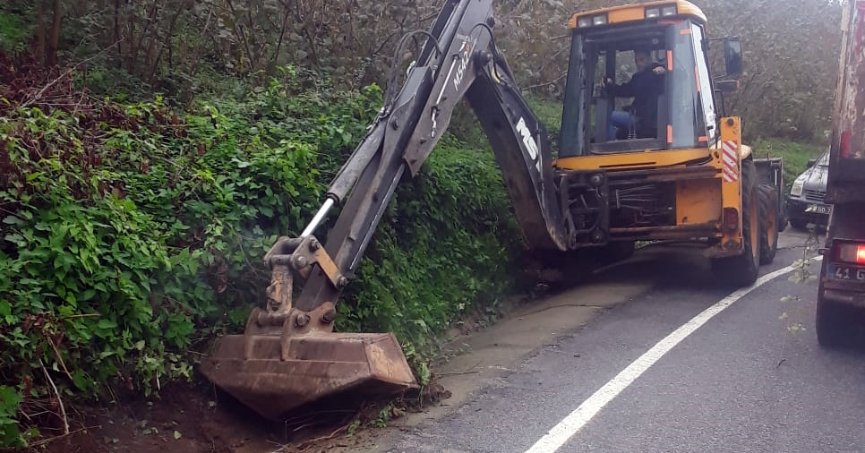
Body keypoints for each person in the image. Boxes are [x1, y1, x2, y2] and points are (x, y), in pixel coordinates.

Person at [604, 50, 666, 139]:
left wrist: (664, 70)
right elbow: (625, 91)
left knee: (608, 116)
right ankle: (615, 138)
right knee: (619, 130)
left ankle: (609, 143)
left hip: (643, 120)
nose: (639, 63)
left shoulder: (659, 74)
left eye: (642, 59)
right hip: (638, 117)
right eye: (636, 61)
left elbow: (676, 76)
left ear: (649, 59)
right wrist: (609, 85)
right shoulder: (638, 78)